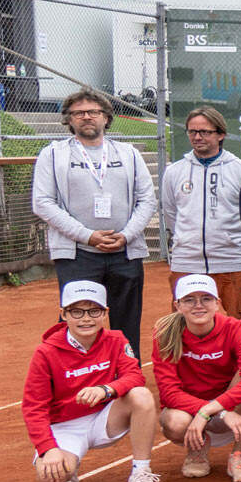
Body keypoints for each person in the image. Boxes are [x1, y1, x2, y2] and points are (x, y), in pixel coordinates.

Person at [32, 88, 157, 351]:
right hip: (78, 253)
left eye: (93, 112)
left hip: (124, 251)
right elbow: (43, 203)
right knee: (77, 318)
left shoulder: (129, 153)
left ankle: (127, 377)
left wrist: (126, 235)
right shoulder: (53, 154)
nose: (86, 117)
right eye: (78, 113)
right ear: (69, 119)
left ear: (106, 118)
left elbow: (146, 200)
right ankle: (71, 375)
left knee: (127, 321)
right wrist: (87, 235)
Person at [26, 281, 163, 482]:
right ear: (64, 314)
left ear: (105, 313)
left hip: (105, 418)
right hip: (65, 426)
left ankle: (141, 474)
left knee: (142, 395)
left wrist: (107, 389)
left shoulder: (116, 339)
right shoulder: (45, 352)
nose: (86, 318)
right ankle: (69, 467)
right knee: (52, 479)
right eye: (77, 311)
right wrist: (47, 448)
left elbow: (134, 375)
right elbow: (34, 407)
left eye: (94, 310)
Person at [151, 275, 241, 482]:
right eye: (189, 300)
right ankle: (197, 448)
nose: (198, 306)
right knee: (174, 422)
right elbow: (169, 393)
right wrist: (216, 412)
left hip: (230, 408)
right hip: (191, 413)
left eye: (206, 298)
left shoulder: (235, 327)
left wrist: (213, 410)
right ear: (177, 305)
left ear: (217, 304)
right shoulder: (165, 334)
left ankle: (240, 455)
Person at [160, 106, 241, 318]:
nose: (197, 137)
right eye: (192, 131)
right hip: (187, 261)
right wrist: (187, 240)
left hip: (233, 261)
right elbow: (171, 213)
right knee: (184, 324)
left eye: (205, 132)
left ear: (221, 134)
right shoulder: (174, 171)